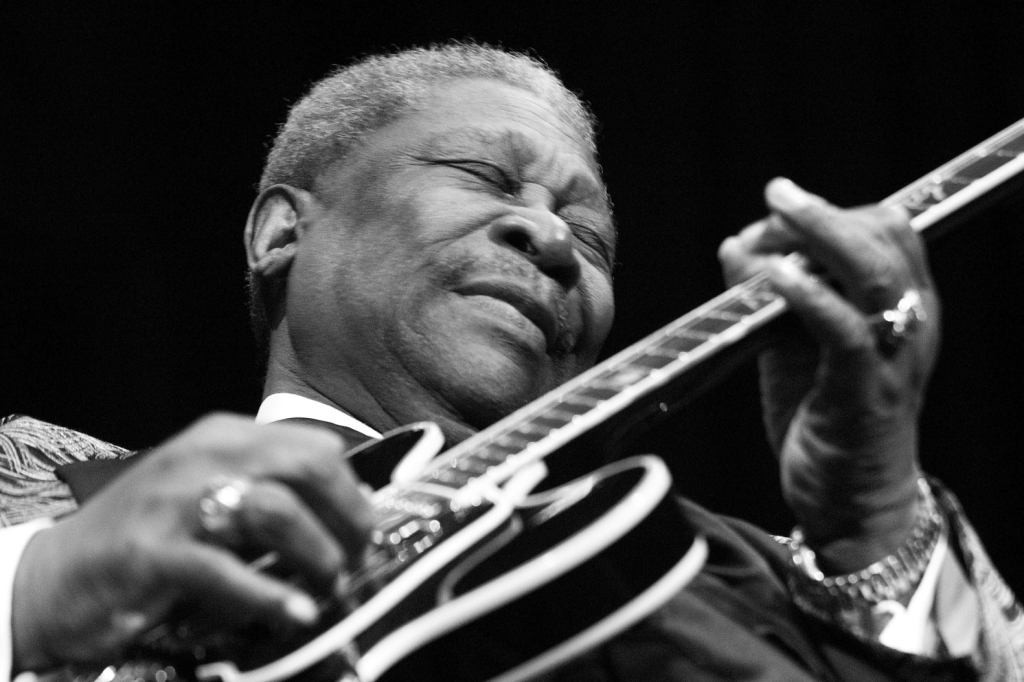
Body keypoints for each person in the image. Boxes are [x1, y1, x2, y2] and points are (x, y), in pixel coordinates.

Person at [1, 42, 1021, 681]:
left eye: (593, 235)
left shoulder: (719, 575)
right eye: (484, 175)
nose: (554, 237)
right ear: (279, 232)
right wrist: (39, 594)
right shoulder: (50, 494)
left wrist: (873, 519)